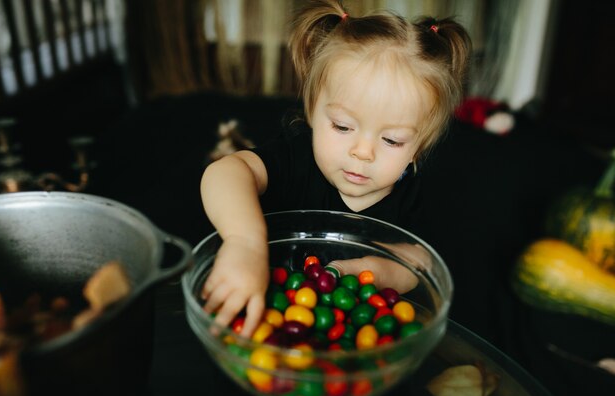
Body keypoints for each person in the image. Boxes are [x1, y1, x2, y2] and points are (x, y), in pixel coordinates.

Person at [200, 0, 471, 337]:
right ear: (313, 110)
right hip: (261, 302)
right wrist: (244, 243)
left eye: (392, 140)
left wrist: (372, 271)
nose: (362, 152)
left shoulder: (413, 189)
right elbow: (226, 172)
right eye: (342, 127)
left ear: (420, 148)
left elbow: (420, 261)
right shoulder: (296, 155)